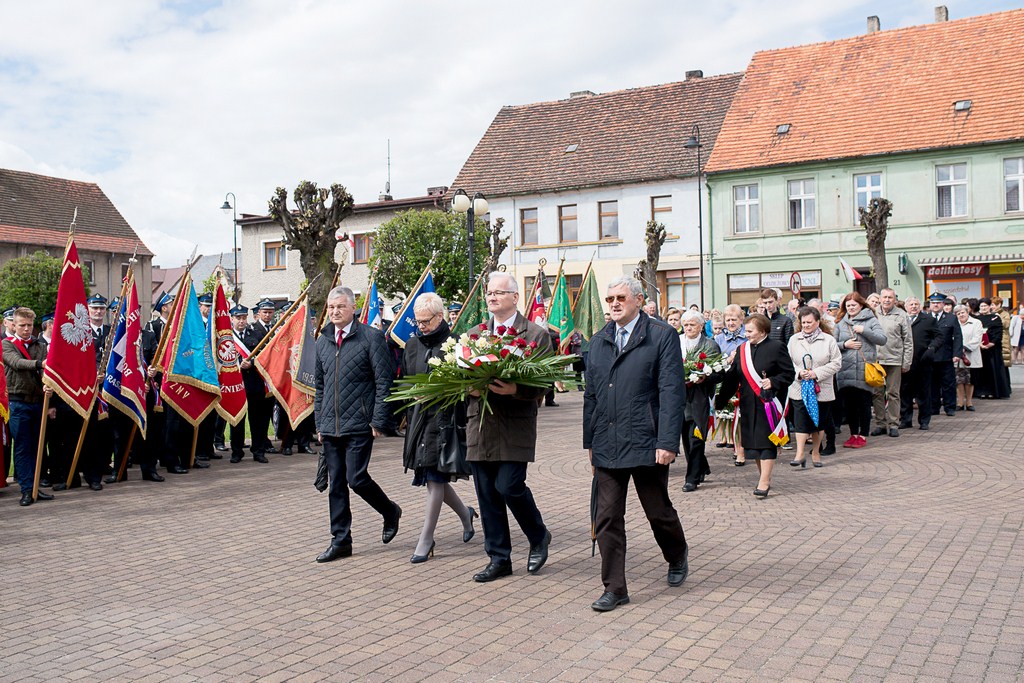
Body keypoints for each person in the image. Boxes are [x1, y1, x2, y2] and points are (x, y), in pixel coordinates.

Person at [583, 276, 689, 612]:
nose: (614, 303)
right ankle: (615, 588)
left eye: (621, 298)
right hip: (608, 443)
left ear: (639, 300)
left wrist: (667, 441)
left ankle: (677, 554)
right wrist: (590, 439)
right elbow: (592, 395)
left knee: (658, 512)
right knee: (607, 517)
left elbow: (672, 391)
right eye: (610, 298)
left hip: (646, 439)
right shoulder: (599, 340)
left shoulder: (661, 336)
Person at [466, 271, 552, 583]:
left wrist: (515, 390)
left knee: (508, 486)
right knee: (487, 494)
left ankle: (538, 534)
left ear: (515, 297)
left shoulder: (534, 335)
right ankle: (499, 558)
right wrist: (468, 389)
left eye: (500, 293)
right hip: (481, 426)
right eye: (489, 292)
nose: (492, 297)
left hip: (515, 425)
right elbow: (459, 376)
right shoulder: (474, 334)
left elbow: (542, 385)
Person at [313, 286, 402, 563]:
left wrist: (378, 419)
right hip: (330, 425)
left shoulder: (371, 338)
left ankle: (390, 511)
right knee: (336, 484)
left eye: (340, 307)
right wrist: (319, 422)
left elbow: (384, 381)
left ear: (353, 308)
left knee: (356, 478)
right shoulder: (322, 340)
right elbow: (319, 386)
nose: (335, 312)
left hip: (360, 423)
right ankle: (341, 540)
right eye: (331, 307)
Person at [399, 293, 477, 564]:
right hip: (420, 419)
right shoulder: (411, 345)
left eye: (426, 321)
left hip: (446, 421)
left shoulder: (455, 344)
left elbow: (467, 384)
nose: (421, 326)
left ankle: (426, 538)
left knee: (435, 477)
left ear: (440, 317)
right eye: (418, 322)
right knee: (434, 477)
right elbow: (406, 382)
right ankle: (466, 515)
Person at [715, 314, 794, 497]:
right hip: (748, 404)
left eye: (750, 331)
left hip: (769, 403)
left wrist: (774, 381)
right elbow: (732, 379)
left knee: (766, 443)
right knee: (754, 446)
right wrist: (721, 400)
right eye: (746, 330)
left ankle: (764, 481)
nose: (747, 334)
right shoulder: (742, 350)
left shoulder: (776, 347)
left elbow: (789, 373)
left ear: (763, 331)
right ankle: (763, 477)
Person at [3, 308, 56, 506]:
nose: (26, 329)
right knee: (23, 447)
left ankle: (35, 487)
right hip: (18, 403)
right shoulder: (6, 345)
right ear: (13, 325)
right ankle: (26, 490)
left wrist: (47, 386)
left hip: (37, 402)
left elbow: (45, 373)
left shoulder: (39, 345)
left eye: (29, 325)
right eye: (22, 325)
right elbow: (16, 363)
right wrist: (40, 364)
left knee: (36, 447)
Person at [787, 307, 842, 467]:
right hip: (799, 388)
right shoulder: (794, 340)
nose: (806, 325)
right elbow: (788, 361)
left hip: (821, 388)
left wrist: (816, 373)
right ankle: (799, 453)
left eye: (809, 322)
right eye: (803, 322)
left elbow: (836, 362)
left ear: (818, 322)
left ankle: (816, 452)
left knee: (819, 422)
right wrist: (799, 372)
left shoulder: (828, 340)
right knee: (800, 421)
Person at [833, 293, 887, 448]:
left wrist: (864, 330)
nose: (850, 308)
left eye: (853, 305)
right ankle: (853, 434)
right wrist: (845, 344)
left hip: (864, 370)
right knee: (849, 406)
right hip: (845, 371)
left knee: (863, 404)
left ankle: (863, 435)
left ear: (861, 305)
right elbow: (832, 345)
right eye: (848, 305)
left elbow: (882, 339)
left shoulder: (871, 320)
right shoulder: (840, 323)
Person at [678, 310, 723, 492]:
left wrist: (706, 377)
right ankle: (700, 466)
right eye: (686, 324)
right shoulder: (676, 342)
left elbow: (720, 372)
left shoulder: (710, 345)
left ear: (701, 326)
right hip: (680, 397)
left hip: (700, 397)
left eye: (692, 324)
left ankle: (692, 478)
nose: (689, 328)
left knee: (696, 436)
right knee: (686, 439)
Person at [871, 288, 913, 438]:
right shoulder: (872, 313)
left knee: (893, 393)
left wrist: (906, 362)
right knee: (877, 393)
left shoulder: (902, 315)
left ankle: (894, 424)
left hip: (894, 359)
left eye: (890, 297)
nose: (887, 300)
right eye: (885, 297)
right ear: (880, 298)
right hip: (876, 360)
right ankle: (880, 424)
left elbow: (908, 340)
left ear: (895, 300)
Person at [241, 299, 277, 462]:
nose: (268, 315)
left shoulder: (277, 330)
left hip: (271, 381)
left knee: (265, 416)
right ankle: (257, 450)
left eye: (270, 312)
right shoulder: (251, 330)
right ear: (258, 314)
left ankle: (262, 445)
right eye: (265, 312)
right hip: (255, 381)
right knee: (256, 417)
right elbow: (249, 353)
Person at [899, 297, 941, 430]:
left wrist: (931, 348)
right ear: (906, 306)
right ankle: (905, 420)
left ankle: (924, 421)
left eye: (916, 304)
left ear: (921, 306)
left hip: (923, 363)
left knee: (923, 393)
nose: (913, 306)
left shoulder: (928, 320)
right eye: (911, 304)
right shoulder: (901, 319)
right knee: (904, 392)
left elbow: (939, 336)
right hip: (905, 362)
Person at [713, 305, 747, 459]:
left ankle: (741, 449)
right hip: (727, 380)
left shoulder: (748, 335)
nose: (731, 323)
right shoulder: (719, 338)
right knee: (730, 416)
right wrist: (728, 359)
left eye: (734, 319)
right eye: (728, 320)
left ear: (741, 319)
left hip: (745, 380)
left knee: (742, 416)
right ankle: (736, 446)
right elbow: (715, 361)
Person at [928, 292, 963, 416]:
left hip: (946, 356)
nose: (936, 305)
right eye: (933, 303)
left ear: (943, 304)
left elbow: (958, 337)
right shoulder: (926, 318)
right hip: (930, 357)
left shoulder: (951, 318)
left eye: (938, 302)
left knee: (948, 384)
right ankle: (934, 407)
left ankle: (950, 407)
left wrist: (957, 353)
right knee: (932, 384)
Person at [974, 298, 1011, 399]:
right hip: (980, 348)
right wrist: (980, 344)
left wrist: (992, 343)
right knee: (981, 371)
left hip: (993, 348)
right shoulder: (976, 319)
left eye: (986, 306)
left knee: (994, 370)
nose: (984, 308)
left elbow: (999, 332)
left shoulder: (995, 317)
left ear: (990, 306)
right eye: (982, 306)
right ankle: (981, 391)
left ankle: (994, 392)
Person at [954, 304, 983, 411]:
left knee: (970, 380)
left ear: (967, 312)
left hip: (970, 356)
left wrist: (965, 347)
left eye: (963, 312)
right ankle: (960, 402)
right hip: (957, 356)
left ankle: (969, 402)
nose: (961, 315)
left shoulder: (976, 323)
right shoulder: (955, 323)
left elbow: (977, 338)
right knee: (959, 380)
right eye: (958, 313)